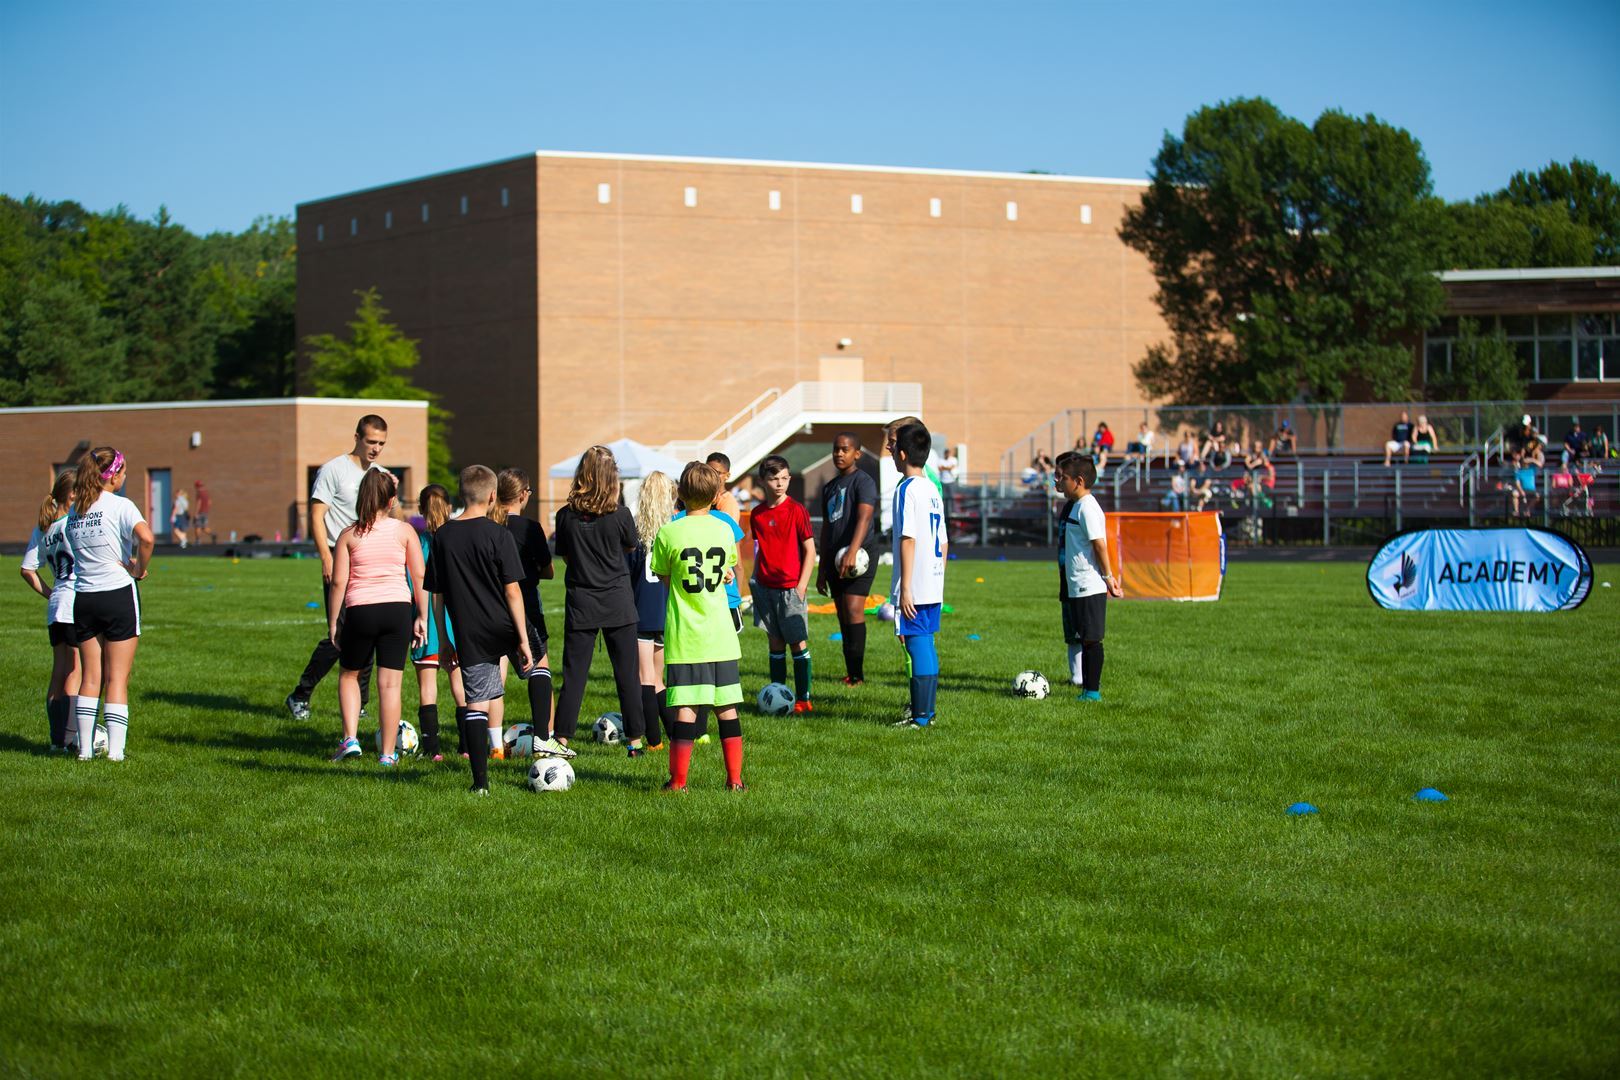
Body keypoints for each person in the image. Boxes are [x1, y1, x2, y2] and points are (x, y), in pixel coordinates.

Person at [426, 465, 541, 796]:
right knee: (539, 667)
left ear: (462, 493)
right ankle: (548, 741)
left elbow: (437, 595)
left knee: (476, 703)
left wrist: (444, 639)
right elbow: (513, 592)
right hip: (505, 625)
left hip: (468, 631)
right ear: (493, 495)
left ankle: (480, 783)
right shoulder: (499, 534)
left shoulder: (443, 536)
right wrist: (521, 638)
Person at [287, 414, 390, 722]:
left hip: (369, 557)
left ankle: (360, 702)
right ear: (357, 437)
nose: (375, 449)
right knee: (341, 634)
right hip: (338, 554)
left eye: (381, 443)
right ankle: (300, 694)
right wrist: (326, 556)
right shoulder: (333, 470)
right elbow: (317, 516)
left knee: (369, 632)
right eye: (371, 441)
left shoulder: (381, 474)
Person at [650, 460, 745, 792]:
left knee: (687, 709)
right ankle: (734, 780)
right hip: (721, 634)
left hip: (686, 635)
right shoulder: (724, 528)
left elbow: (664, 577)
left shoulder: (669, 531)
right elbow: (726, 569)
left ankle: (678, 782)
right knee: (727, 709)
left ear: (680, 493)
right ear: (717, 494)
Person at [326, 470, 427, 765]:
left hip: (361, 610)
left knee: (349, 674)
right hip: (397, 609)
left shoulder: (348, 535)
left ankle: (350, 739)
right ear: (392, 500)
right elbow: (419, 574)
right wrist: (421, 615)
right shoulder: (405, 531)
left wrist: (334, 621)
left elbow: (338, 583)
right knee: (390, 685)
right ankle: (386, 755)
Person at [552, 446, 647, 756]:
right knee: (626, 675)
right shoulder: (620, 515)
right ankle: (635, 742)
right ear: (612, 477)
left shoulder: (565, 516)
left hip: (582, 600)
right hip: (617, 600)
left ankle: (561, 739)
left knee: (574, 675)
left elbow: (566, 555)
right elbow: (631, 547)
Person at [65, 447, 155, 761]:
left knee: (90, 678)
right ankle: (116, 753)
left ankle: (85, 751)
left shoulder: (75, 511)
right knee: (117, 678)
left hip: (84, 597)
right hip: (117, 594)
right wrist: (139, 569)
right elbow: (146, 538)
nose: (125, 477)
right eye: (124, 471)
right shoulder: (120, 505)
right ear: (113, 475)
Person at [889, 423, 946, 729]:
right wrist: (939, 580)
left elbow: (907, 538)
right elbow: (945, 542)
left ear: (902, 453)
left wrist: (906, 588)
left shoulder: (907, 489)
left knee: (917, 644)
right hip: (933, 580)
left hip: (916, 583)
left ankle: (921, 716)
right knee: (925, 642)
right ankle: (927, 712)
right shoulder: (932, 489)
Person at [494, 468, 555, 751]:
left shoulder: (488, 525)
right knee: (540, 666)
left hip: (491, 606)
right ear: (522, 494)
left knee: (494, 676)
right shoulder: (530, 528)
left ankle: (493, 744)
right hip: (526, 604)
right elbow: (549, 571)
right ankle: (547, 736)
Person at [1053, 453, 1123, 701]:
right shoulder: (1076, 505)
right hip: (1075, 582)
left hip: (1089, 583)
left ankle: (1092, 691)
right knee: (1082, 635)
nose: (1057, 482)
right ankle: (1083, 685)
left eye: (1062, 478)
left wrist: (1108, 576)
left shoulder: (1088, 507)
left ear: (1079, 481)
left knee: (1092, 639)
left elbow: (1099, 544)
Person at [19, 470, 80, 751]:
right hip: (75, 602)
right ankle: (69, 739)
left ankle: (56, 740)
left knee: (58, 671)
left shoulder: (43, 527)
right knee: (75, 671)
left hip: (56, 605)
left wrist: (50, 592)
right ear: (71, 494)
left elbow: (27, 570)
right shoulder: (74, 523)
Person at [750, 455, 815, 712]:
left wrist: (801, 586)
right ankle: (777, 696)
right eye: (774, 478)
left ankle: (803, 699)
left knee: (797, 643)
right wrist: (754, 580)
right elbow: (760, 550)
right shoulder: (757, 514)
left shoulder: (796, 510)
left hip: (791, 589)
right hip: (765, 587)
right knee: (775, 642)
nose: (780, 483)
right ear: (763, 481)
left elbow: (810, 550)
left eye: (784, 478)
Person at [817, 432, 879, 685]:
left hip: (859, 555)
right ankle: (851, 673)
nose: (839, 454)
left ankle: (858, 676)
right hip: (834, 558)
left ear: (857, 454)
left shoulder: (863, 481)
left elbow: (864, 517)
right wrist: (821, 570)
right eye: (836, 449)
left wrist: (853, 551)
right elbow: (828, 529)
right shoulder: (829, 487)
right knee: (842, 613)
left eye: (845, 449)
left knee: (854, 610)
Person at [410, 484, 463, 761]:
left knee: (427, 687)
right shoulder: (457, 537)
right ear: (451, 506)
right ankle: (467, 746)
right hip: (456, 622)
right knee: (460, 683)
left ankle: (432, 751)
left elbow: (413, 582)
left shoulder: (417, 543)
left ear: (420, 509)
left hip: (427, 621)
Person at [629, 470, 678, 750]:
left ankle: (654, 740)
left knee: (644, 678)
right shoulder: (674, 532)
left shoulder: (636, 534)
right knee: (657, 679)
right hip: (666, 611)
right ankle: (673, 733)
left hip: (641, 612)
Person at [706, 452, 742, 521]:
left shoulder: (728, 502)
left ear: (727, 476)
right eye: (708, 471)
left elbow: (728, 529)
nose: (712, 475)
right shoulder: (703, 496)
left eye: (717, 473)